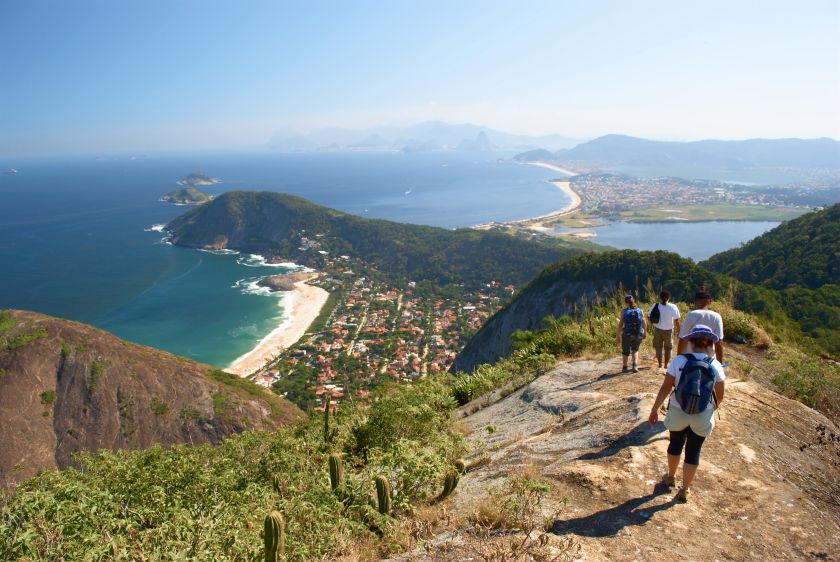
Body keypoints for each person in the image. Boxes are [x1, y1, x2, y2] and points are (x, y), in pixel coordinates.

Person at [648, 324, 725, 503]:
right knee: (693, 451)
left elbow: (666, 387)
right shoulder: (716, 365)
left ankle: (671, 477)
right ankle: (685, 489)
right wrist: (709, 409)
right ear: (709, 345)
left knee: (675, 444)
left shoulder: (679, 361)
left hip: (677, 409)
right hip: (702, 413)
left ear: (690, 341)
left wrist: (654, 409)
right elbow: (720, 395)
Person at [678, 286, 724, 362]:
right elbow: (719, 343)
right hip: (710, 360)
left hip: (690, 359)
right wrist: (720, 364)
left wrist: (678, 359)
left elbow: (682, 340)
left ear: (695, 301)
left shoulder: (691, 315)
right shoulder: (717, 316)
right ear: (710, 301)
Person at [649, 290, 681, 370]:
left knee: (658, 347)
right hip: (669, 330)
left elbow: (649, 315)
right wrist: (679, 330)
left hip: (658, 329)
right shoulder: (673, 307)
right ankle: (666, 364)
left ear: (660, 297)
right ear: (669, 297)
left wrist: (653, 324)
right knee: (668, 348)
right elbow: (677, 320)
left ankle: (660, 364)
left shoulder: (655, 305)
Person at [616, 294, 647, 373]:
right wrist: (645, 333)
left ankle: (625, 367)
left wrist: (618, 336)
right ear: (634, 301)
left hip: (627, 334)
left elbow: (620, 324)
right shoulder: (640, 310)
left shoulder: (624, 311)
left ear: (626, 303)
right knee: (635, 350)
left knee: (625, 351)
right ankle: (635, 365)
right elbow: (644, 322)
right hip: (638, 333)